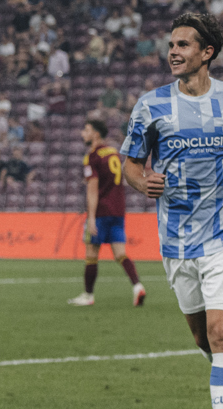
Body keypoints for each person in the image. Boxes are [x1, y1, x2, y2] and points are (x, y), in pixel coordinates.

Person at [121, 13, 223, 409]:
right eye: (171, 45)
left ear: (207, 52)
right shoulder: (150, 106)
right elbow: (130, 164)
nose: (173, 51)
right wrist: (143, 182)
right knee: (204, 338)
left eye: (182, 45)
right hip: (177, 239)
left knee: (222, 333)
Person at [67, 119, 145, 307]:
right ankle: (137, 286)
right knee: (120, 253)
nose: (82, 133)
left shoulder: (92, 157)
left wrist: (91, 217)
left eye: (86, 130)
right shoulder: (113, 152)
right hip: (118, 210)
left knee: (91, 253)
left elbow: (93, 189)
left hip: (101, 211)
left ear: (96, 134)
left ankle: (88, 295)